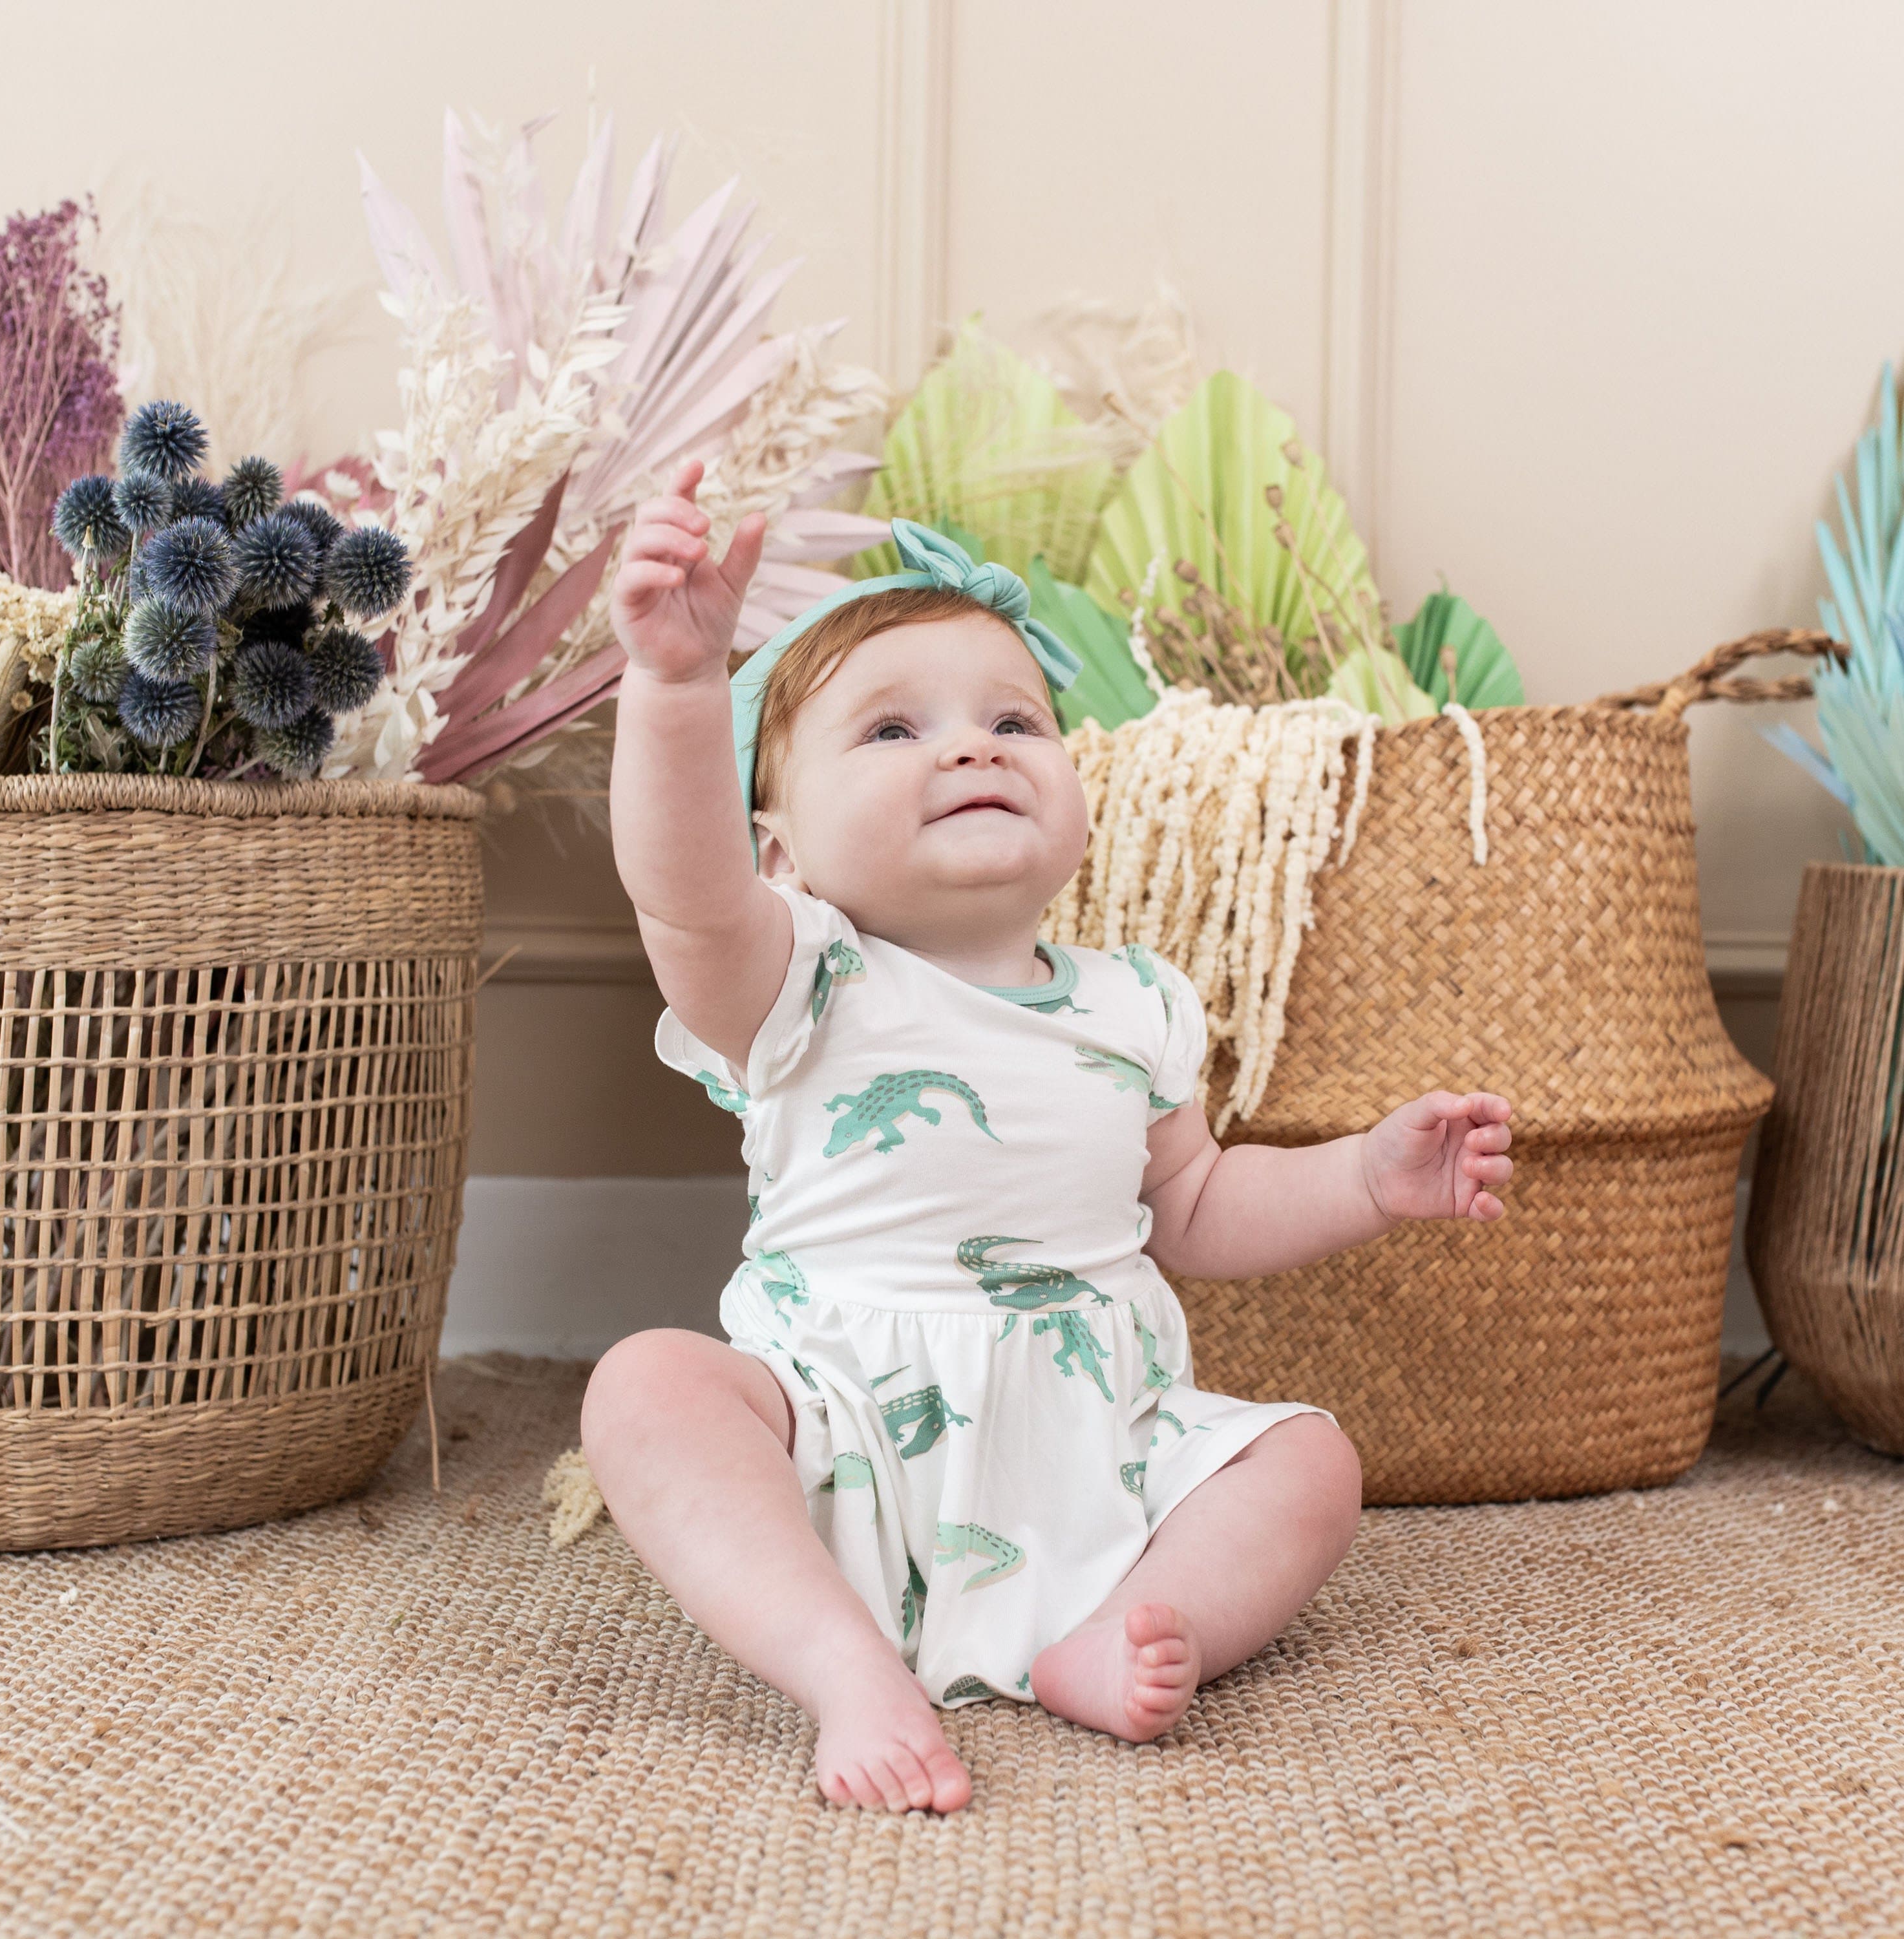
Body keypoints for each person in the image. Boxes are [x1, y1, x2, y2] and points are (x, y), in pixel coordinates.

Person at [583, 458, 1516, 1815]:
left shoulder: (1135, 1002)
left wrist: (1367, 1177)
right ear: (777, 851)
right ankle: (841, 1665)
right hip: (845, 1446)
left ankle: (1125, 1624)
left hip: (1096, 1444)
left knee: (1309, 1461)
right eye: (892, 732)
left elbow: (1194, 1206)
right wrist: (675, 686)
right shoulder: (796, 977)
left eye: (1014, 719)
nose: (970, 747)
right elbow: (681, 890)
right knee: (648, 1388)